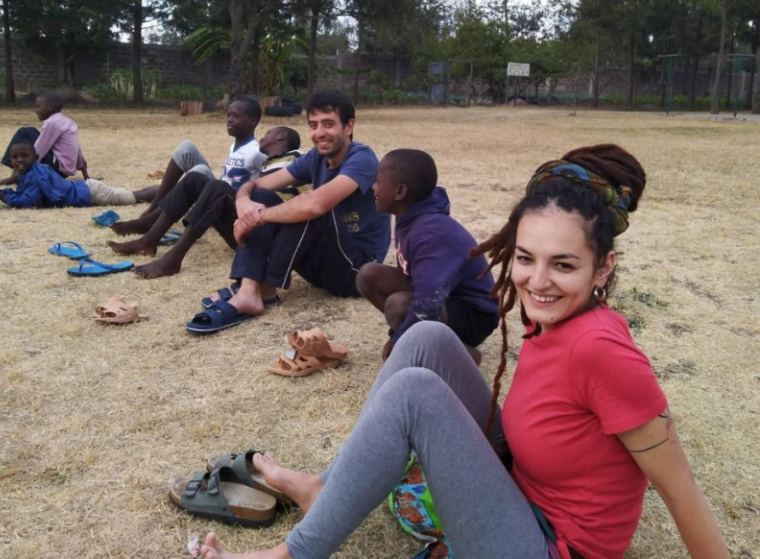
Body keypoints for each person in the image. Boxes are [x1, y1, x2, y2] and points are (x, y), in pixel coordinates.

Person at [190, 144, 729, 559]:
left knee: (415, 393)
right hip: (520, 486)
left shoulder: (603, 350)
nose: (538, 281)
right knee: (427, 338)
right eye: (525, 258)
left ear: (602, 268)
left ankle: (294, 554)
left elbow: (681, 490)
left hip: (548, 544)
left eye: (564, 265)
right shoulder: (554, 319)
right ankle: (323, 489)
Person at [187, 90, 390, 333]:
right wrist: (243, 202)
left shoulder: (362, 158)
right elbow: (257, 185)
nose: (319, 133)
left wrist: (257, 217)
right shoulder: (315, 157)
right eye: (313, 125)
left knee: (309, 207)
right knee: (262, 197)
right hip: (318, 268)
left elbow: (315, 205)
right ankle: (251, 289)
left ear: (349, 126)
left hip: (356, 271)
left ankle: (263, 288)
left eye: (328, 124)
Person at [357, 148, 498, 364]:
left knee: (398, 306)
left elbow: (427, 304)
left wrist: (398, 338)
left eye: (378, 181)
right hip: (446, 297)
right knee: (368, 275)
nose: (373, 187)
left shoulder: (431, 233)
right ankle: (423, 340)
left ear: (400, 192)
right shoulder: (409, 213)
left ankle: (463, 355)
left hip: (475, 314)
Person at [106, 126, 303, 279]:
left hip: (269, 236)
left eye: (268, 133)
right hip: (247, 227)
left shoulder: (297, 159)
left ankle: (173, 259)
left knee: (218, 187)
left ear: (281, 135)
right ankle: (148, 240)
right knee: (195, 179)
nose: (262, 137)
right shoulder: (266, 163)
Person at [109, 97, 265, 237]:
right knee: (186, 148)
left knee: (200, 172)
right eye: (228, 115)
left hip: (229, 208)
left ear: (252, 122)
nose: (229, 120)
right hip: (217, 195)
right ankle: (153, 210)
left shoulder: (256, 152)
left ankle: (151, 220)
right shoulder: (235, 146)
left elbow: (267, 186)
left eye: (235, 116)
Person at [0, 140, 157, 208]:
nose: (19, 160)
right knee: (132, 193)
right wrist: (3, 192)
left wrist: (0, 195)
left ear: (35, 157)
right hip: (87, 189)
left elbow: (29, 201)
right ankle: (163, 190)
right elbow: (24, 194)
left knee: (134, 196)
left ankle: (165, 191)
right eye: (15, 157)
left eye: (24, 156)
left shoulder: (36, 175)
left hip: (91, 194)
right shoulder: (29, 172)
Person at [0, 92, 89, 185]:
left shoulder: (51, 123)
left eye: (38, 107)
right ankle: (17, 173)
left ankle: (17, 174)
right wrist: (86, 176)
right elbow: (77, 149)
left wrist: (20, 172)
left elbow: (39, 151)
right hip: (63, 171)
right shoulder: (68, 122)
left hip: (55, 169)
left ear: (50, 107)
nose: (35, 110)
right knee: (30, 132)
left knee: (25, 132)